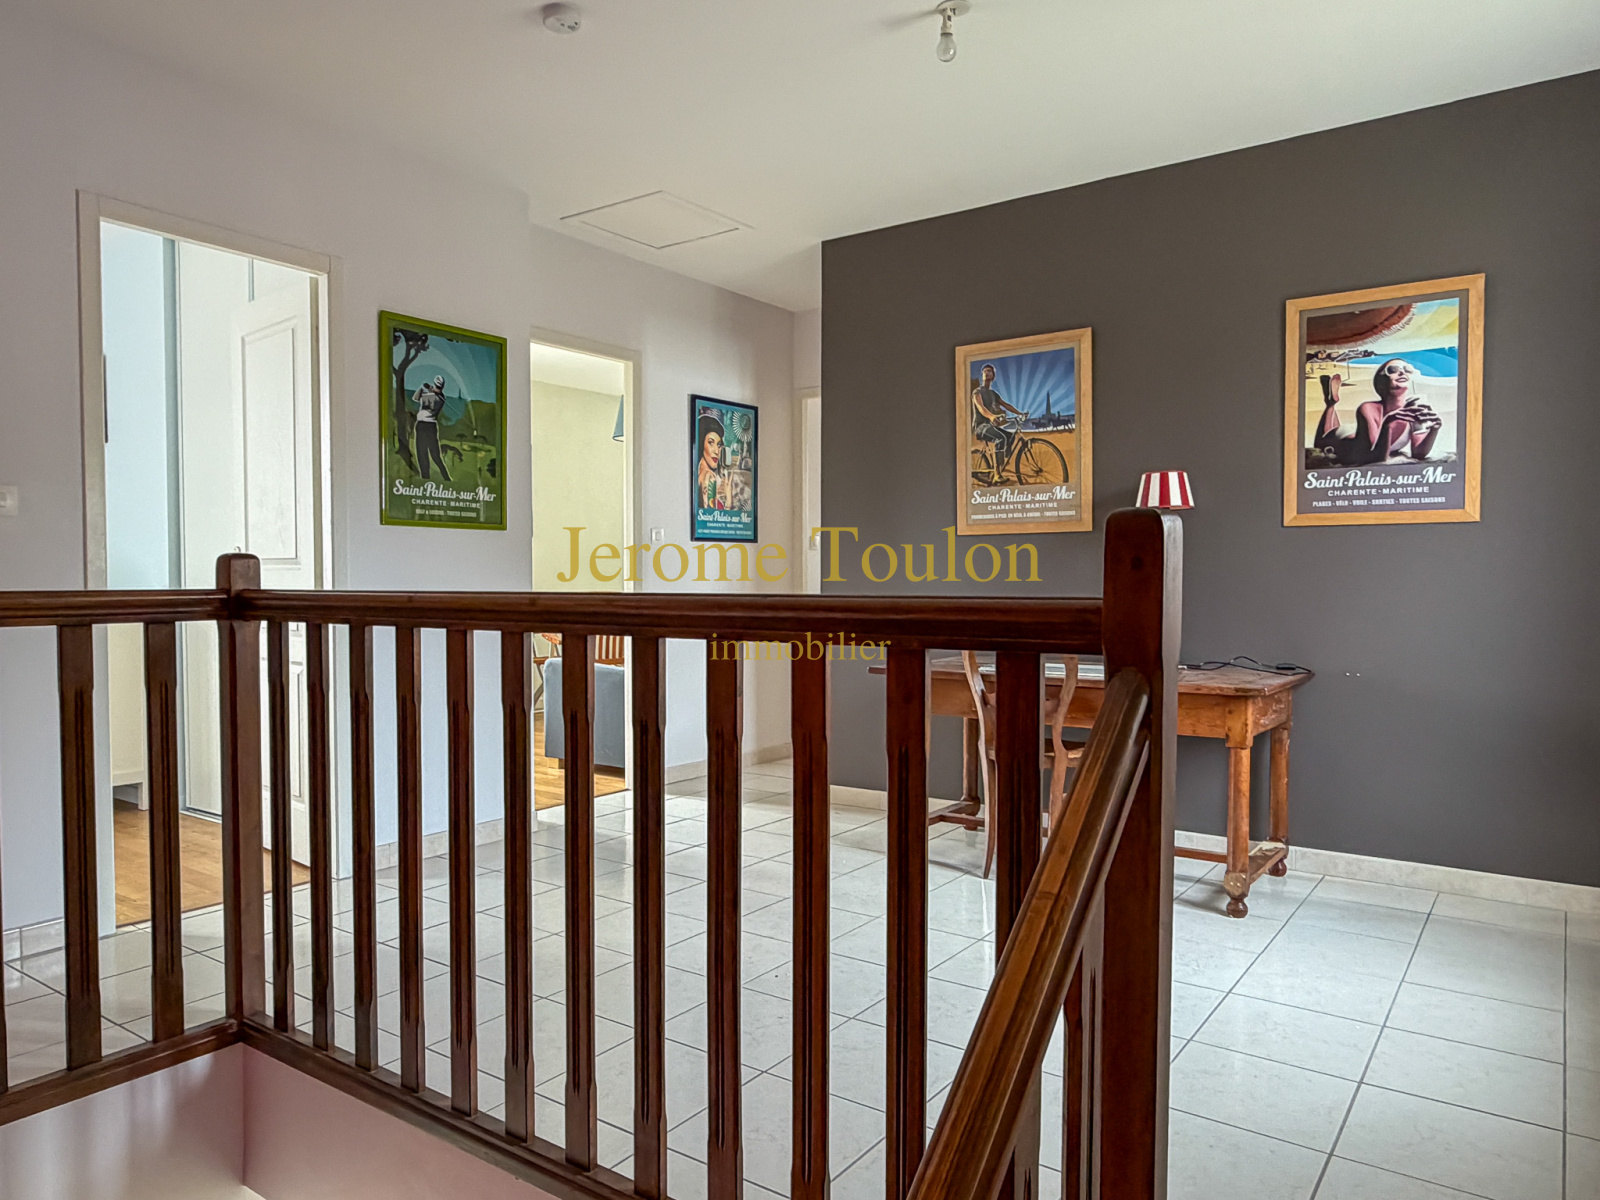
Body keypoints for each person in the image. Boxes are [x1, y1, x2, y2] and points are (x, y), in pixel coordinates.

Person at [1314, 359, 1442, 466]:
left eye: (1407, 369)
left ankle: (1331, 402)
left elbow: (1418, 453)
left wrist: (1434, 430)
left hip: (1356, 432)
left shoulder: (1413, 408)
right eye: (1393, 370)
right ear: (1381, 382)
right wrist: (1387, 424)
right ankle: (1330, 404)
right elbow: (1374, 457)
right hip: (1344, 440)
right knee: (1322, 442)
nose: (1402, 372)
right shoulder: (1368, 408)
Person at [971, 363, 1026, 477]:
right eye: (984, 371)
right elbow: (981, 407)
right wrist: (992, 416)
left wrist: (1019, 413)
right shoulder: (977, 392)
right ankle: (997, 474)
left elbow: (1006, 405)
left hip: (990, 426)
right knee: (1001, 438)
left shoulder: (993, 394)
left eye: (989, 371)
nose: (986, 373)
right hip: (980, 426)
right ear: (982, 375)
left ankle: (1001, 462)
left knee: (1010, 436)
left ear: (993, 376)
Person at [413, 375, 451, 481]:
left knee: (435, 455)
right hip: (422, 425)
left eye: (438, 387)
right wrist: (423, 388)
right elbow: (415, 398)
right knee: (422, 453)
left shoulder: (440, 398)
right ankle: (425, 478)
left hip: (429, 426)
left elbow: (423, 400)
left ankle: (447, 478)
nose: (438, 388)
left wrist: (427, 388)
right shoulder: (434, 395)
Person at [696, 412, 726, 510]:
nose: (716, 451)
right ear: (701, 444)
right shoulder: (710, 477)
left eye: (719, 445)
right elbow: (711, 514)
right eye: (710, 443)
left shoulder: (698, 475)